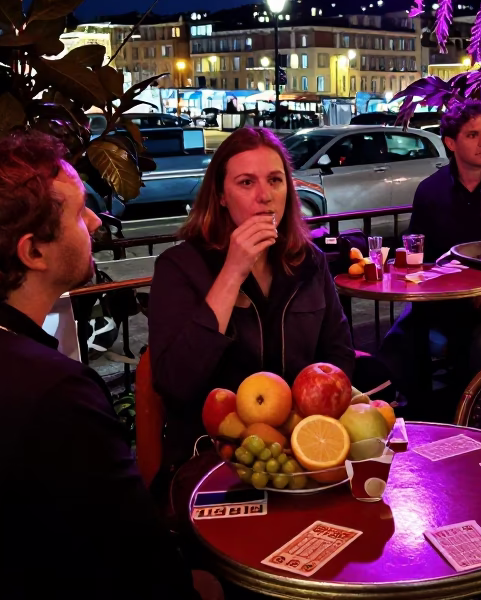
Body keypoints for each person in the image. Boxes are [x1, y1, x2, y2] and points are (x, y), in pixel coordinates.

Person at [0, 134, 204, 599]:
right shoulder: (53, 394)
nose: (94, 220)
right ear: (33, 253)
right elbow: (141, 565)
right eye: (79, 211)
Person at [149, 128, 355, 474]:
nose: (264, 196)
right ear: (221, 195)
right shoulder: (179, 267)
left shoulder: (310, 262)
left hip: (301, 448)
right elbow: (174, 382)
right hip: (214, 454)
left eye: (275, 180)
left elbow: (339, 357)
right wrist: (232, 272)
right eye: (246, 183)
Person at [376, 101, 481, 418]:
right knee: (396, 346)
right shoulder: (430, 191)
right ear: (450, 143)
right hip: (441, 302)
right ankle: (423, 421)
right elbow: (421, 257)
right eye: (473, 135)